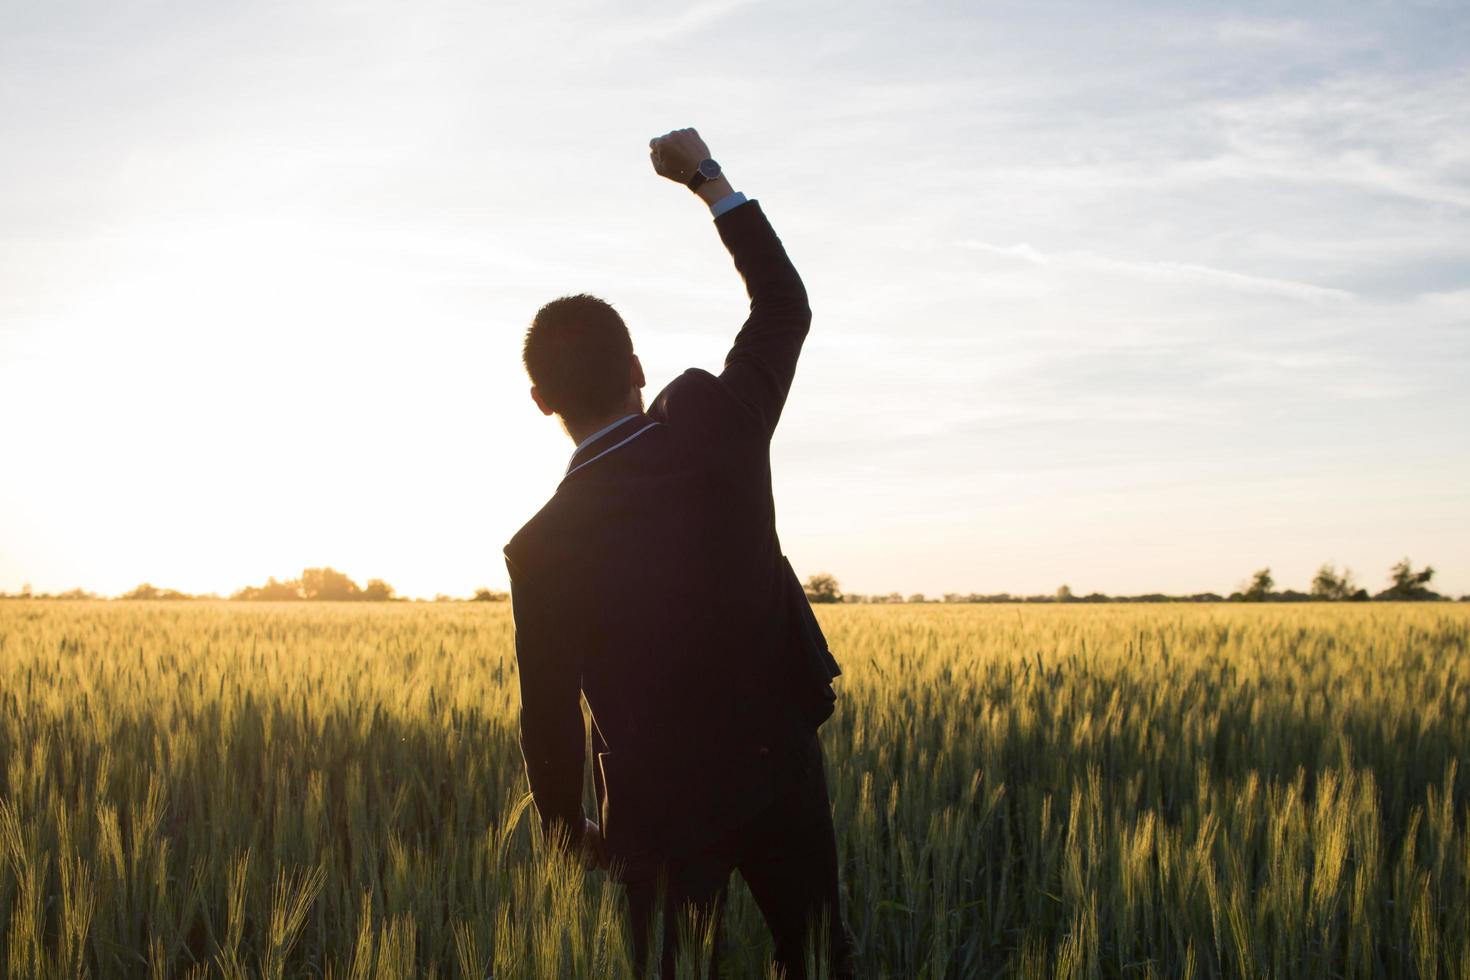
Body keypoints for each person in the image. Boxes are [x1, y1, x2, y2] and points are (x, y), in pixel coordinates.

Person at [504, 127, 854, 979]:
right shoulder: (717, 428)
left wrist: (562, 826)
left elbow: (547, 712)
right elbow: (783, 307)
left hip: (656, 812)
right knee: (814, 962)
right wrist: (707, 180)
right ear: (636, 365)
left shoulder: (540, 546)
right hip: (780, 768)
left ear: (540, 400)